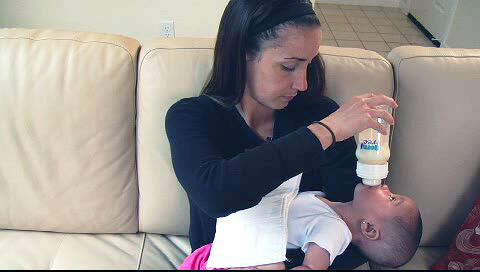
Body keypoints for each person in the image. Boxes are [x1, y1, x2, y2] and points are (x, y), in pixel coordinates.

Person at [165, 0, 398, 269]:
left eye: (309, 65)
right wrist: (324, 133)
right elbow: (216, 194)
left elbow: (356, 232)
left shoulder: (321, 112)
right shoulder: (191, 116)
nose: (303, 84)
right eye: (289, 66)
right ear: (243, 53)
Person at [179, 184, 423, 270]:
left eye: (392, 199)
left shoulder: (334, 230)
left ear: (369, 229)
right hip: (235, 241)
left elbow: (314, 265)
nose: (387, 188)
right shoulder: (328, 203)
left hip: (248, 257)